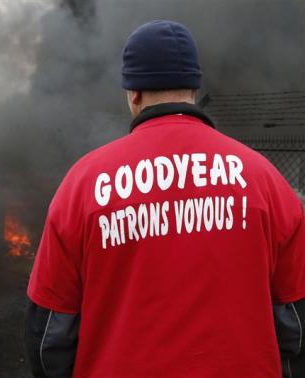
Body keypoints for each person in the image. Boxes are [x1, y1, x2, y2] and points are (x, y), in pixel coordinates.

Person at [25, 20, 305, 378]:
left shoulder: (83, 183)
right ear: (193, 86)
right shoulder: (265, 180)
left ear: (133, 93)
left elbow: (51, 331)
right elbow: (294, 321)